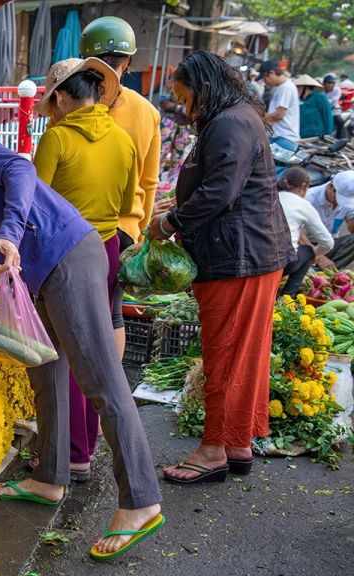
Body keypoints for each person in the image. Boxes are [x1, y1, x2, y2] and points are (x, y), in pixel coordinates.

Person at [0, 112, 163, 558]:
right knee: (45, 370)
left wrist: (8, 233)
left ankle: (140, 501)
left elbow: (19, 168)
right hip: (44, 277)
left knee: (101, 380)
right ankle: (49, 479)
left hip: (68, 259)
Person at [149, 52, 294, 484]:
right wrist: (177, 204)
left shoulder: (231, 121)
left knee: (226, 354)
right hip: (244, 255)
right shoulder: (234, 117)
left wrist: (170, 222)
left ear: (205, 87)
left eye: (185, 97)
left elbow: (219, 192)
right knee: (239, 355)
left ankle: (213, 450)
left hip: (239, 258)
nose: (185, 108)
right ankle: (236, 445)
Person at [33, 57, 137, 482]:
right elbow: (129, 203)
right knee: (94, 350)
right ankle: (85, 448)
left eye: (50, 102)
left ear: (59, 97)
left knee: (65, 354)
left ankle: (73, 454)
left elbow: (32, 204)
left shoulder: (57, 139)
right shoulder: (124, 140)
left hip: (64, 252)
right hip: (107, 248)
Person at [80, 16, 161, 359]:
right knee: (112, 311)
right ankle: (111, 387)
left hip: (81, 225)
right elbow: (150, 181)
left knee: (77, 312)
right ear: (128, 63)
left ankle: (83, 391)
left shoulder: (77, 104)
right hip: (125, 227)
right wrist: (139, 233)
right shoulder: (148, 111)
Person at [278, 167, 335, 295]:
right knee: (308, 251)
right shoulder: (302, 204)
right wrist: (316, 255)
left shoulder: (270, 197)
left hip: (255, 258)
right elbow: (328, 242)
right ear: (303, 187)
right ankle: (288, 295)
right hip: (280, 264)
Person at [306, 171, 354, 269]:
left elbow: (352, 229)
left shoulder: (349, 198)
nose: (340, 203)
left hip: (328, 243)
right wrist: (319, 256)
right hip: (304, 244)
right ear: (330, 187)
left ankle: (330, 274)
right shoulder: (308, 199)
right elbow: (294, 235)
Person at [260, 60, 301, 151]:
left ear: (272, 73)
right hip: (281, 137)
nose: (264, 81)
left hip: (284, 138)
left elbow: (279, 114)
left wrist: (261, 118)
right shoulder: (281, 87)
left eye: (264, 77)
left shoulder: (286, 87)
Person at [323, 74, 345, 138]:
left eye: (332, 83)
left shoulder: (337, 90)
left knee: (340, 122)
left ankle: (339, 138)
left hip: (334, 111)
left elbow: (333, 100)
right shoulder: (320, 90)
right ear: (324, 83)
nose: (330, 84)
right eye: (328, 82)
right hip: (323, 111)